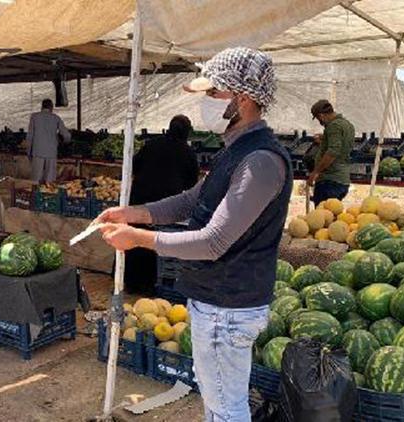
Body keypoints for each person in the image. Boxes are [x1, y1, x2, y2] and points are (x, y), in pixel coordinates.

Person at [97, 47, 291, 422]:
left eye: (213, 93)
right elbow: (191, 200)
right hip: (218, 303)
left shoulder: (260, 161)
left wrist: (139, 239)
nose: (206, 103)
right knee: (221, 401)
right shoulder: (236, 150)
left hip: (228, 307)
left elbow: (213, 241)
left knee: (225, 409)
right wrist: (134, 213)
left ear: (243, 99)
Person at [124, 115, 200, 295]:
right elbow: (191, 184)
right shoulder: (187, 152)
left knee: (134, 238)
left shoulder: (152, 144)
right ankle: (149, 285)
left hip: (140, 199)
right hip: (164, 206)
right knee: (153, 242)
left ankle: (131, 282)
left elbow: (133, 166)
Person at [308, 99, 355, 206]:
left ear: (321, 115)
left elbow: (333, 152)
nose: (320, 123)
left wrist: (316, 172)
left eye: (319, 119)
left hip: (330, 181)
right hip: (342, 179)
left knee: (322, 219)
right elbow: (341, 145)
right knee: (332, 219)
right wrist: (324, 139)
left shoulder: (334, 126)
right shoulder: (347, 125)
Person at [27, 99, 70, 184]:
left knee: (36, 180)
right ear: (51, 107)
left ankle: (36, 196)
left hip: (38, 152)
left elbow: (30, 136)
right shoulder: (56, 118)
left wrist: (29, 152)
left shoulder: (34, 117)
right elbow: (66, 135)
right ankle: (50, 196)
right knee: (50, 181)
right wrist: (66, 142)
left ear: (42, 106)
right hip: (51, 153)